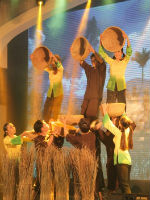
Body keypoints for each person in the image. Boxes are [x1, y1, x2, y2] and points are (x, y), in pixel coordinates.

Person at [65, 118, 105, 200]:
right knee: (95, 184)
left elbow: (66, 134)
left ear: (79, 127)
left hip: (82, 167)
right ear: (89, 127)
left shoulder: (77, 138)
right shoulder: (93, 135)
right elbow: (98, 126)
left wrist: (64, 123)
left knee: (84, 185)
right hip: (93, 165)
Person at [101, 104, 136, 194]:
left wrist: (105, 110)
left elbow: (107, 124)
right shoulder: (129, 130)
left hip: (121, 162)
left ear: (120, 124)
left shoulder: (118, 133)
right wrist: (122, 112)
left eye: (119, 122)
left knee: (125, 186)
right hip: (127, 162)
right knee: (126, 185)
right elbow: (131, 123)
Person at [99, 31, 132, 104]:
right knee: (110, 103)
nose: (117, 53)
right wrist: (100, 40)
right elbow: (101, 52)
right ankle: (109, 115)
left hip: (121, 85)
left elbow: (129, 52)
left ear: (122, 53)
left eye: (119, 51)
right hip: (111, 85)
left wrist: (127, 39)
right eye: (115, 52)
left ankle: (123, 115)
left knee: (122, 103)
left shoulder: (124, 61)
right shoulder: (111, 61)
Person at [80, 47, 106, 122]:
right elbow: (82, 62)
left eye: (95, 60)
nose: (93, 61)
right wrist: (76, 53)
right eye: (92, 60)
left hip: (95, 97)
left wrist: (93, 51)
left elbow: (101, 62)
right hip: (87, 96)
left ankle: (92, 132)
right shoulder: (90, 69)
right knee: (82, 115)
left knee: (91, 117)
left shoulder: (101, 69)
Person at [43, 47, 64, 122]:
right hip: (51, 91)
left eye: (54, 61)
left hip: (58, 93)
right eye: (52, 61)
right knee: (46, 109)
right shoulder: (50, 70)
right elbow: (43, 66)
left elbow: (58, 65)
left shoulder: (60, 69)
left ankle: (54, 126)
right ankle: (46, 123)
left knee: (55, 111)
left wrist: (53, 57)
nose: (53, 62)